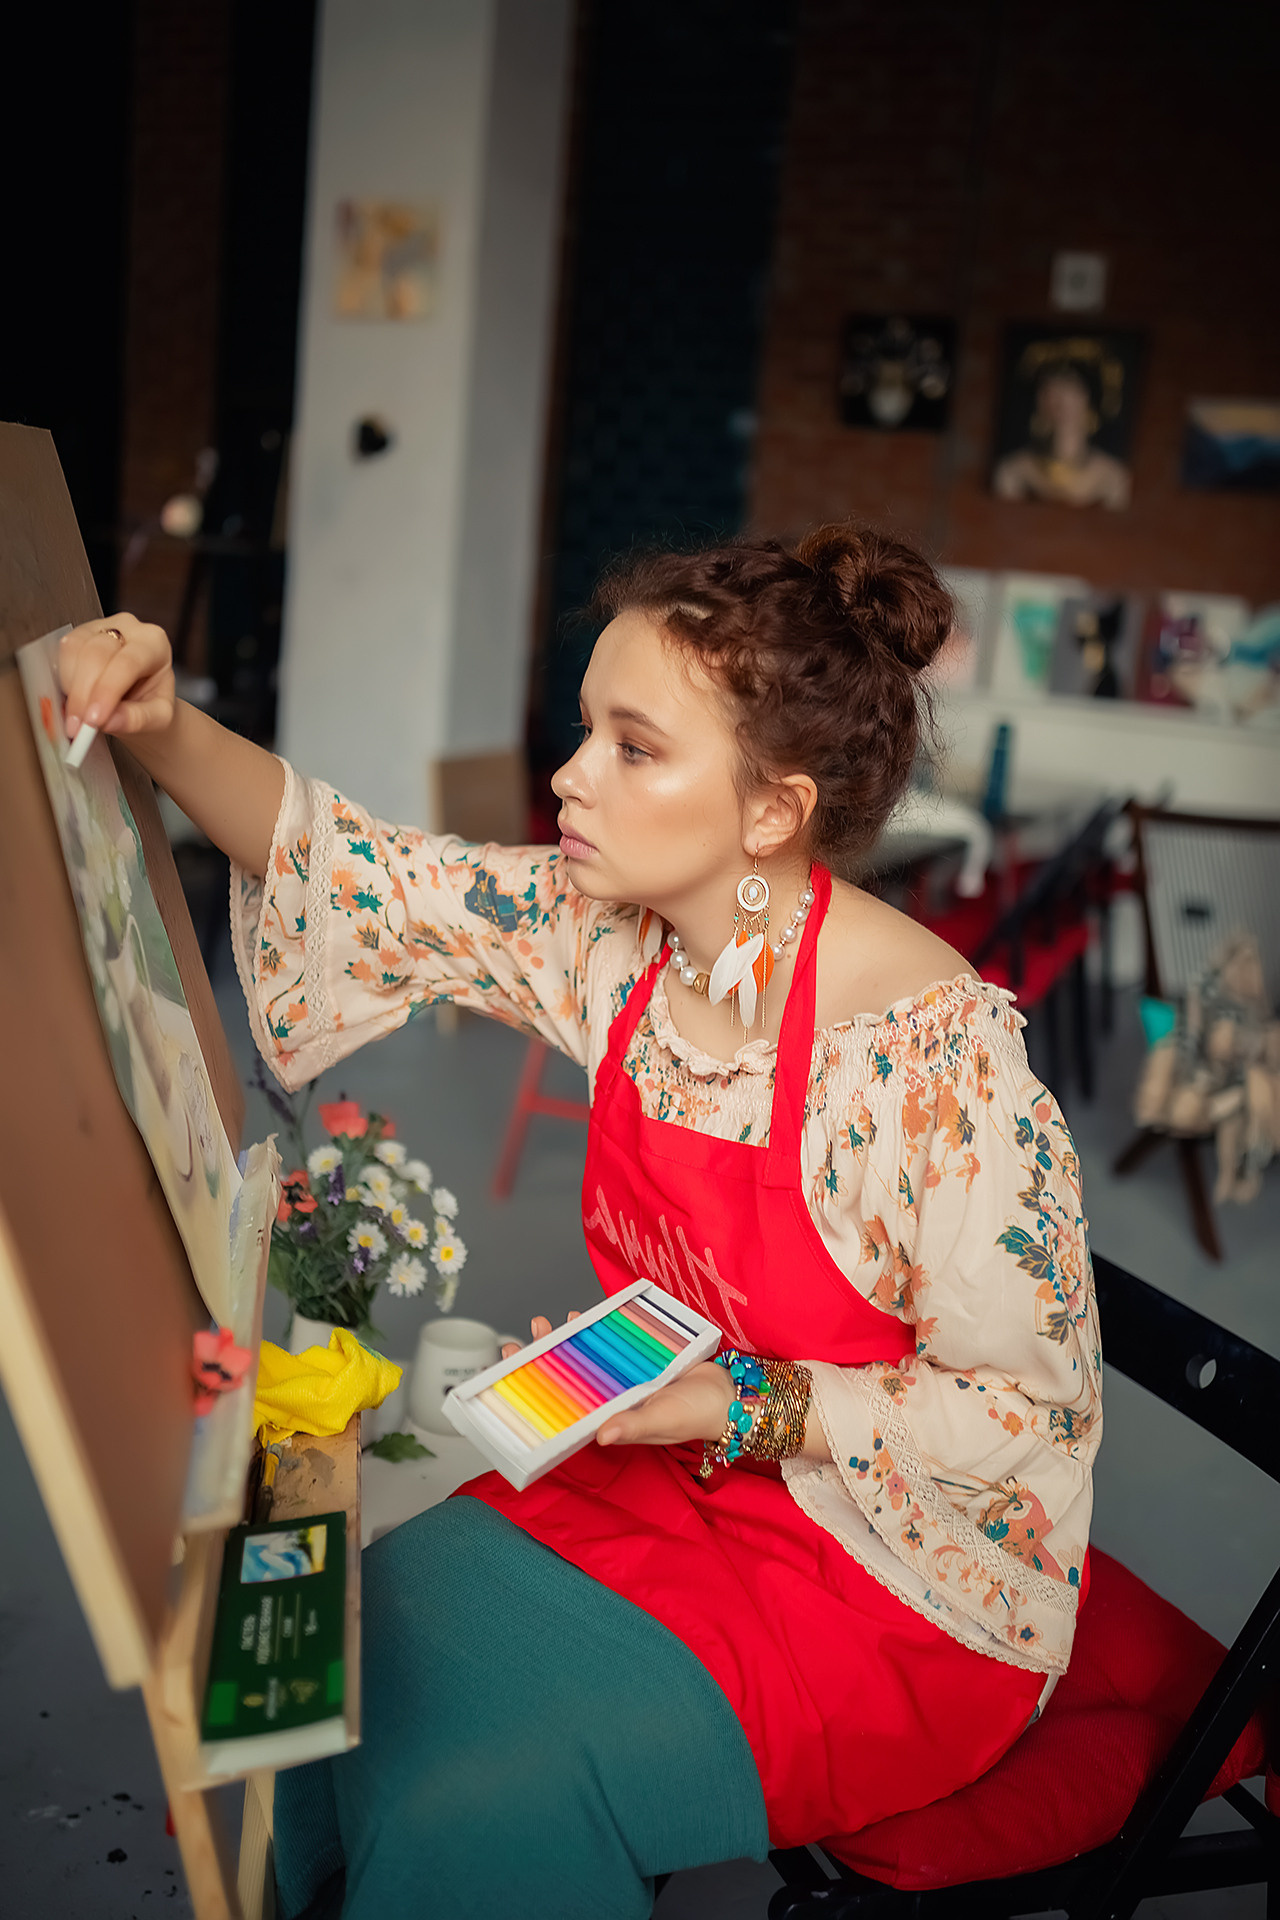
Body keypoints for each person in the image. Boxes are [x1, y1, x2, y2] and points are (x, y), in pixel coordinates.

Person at [60, 525, 1100, 1920]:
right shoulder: (617, 939)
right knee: (360, 1657)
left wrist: (737, 1410)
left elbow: (1027, 1419)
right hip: (677, 1472)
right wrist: (163, 722)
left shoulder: (928, 1070)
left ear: (772, 813)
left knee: (470, 1794)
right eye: (584, 727)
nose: (569, 774)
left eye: (632, 746)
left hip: (906, 1582)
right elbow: (363, 871)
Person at [993, 363, 1131, 510]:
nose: (1060, 401)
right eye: (1049, 392)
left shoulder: (1112, 476)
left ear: (1088, 399)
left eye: (1071, 389)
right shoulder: (1014, 470)